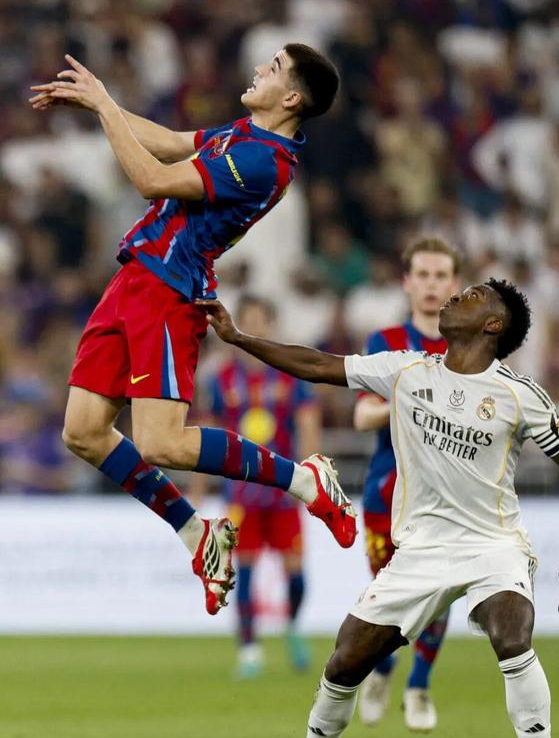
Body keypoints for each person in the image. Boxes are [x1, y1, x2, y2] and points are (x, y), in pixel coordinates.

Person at [199, 278, 559, 738]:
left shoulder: (518, 395)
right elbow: (316, 364)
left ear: (493, 324)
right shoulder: (406, 370)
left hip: (493, 545)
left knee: (511, 633)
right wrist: (239, 338)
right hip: (421, 551)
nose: (455, 295)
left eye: (473, 295)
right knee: (345, 660)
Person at [29, 44, 356, 616]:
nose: (259, 68)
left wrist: (105, 106)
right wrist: (100, 103)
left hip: (170, 291)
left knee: (162, 443)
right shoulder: (243, 134)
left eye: (274, 67)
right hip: (134, 278)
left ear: (291, 97)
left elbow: (152, 179)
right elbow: (168, 143)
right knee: (82, 432)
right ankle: (196, 533)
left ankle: (305, 480)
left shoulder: (264, 162)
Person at [353, 236, 460, 732]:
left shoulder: (470, 345)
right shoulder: (387, 341)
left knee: (439, 591)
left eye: (440, 275)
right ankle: (383, 667)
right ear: (407, 282)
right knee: (388, 593)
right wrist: (413, 397)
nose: (431, 284)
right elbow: (363, 415)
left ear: (455, 284)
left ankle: (418, 684)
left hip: (447, 495)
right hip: (388, 489)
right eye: (423, 275)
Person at [191, 295, 321, 676]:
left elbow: (308, 426)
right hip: (241, 494)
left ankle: (292, 626)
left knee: (295, 575)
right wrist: (198, 487)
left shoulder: (288, 375)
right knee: (242, 572)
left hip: (284, 491)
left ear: (271, 325)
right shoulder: (222, 380)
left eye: (260, 320)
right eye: (246, 320)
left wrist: (312, 478)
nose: (253, 327)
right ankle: (249, 649)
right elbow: (205, 434)